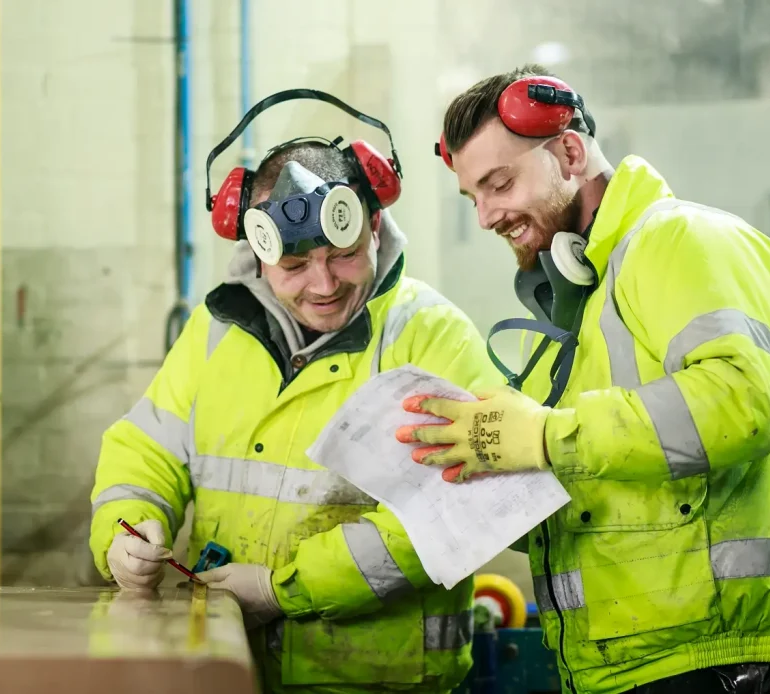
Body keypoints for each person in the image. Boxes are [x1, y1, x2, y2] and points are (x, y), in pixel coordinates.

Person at [396, 64, 770, 694]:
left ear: (568, 151)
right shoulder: (588, 297)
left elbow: (743, 401)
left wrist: (543, 437)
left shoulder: (682, 240)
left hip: (706, 663)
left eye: (499, 183)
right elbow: (612, 480)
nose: (485, 217)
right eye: (471, 197)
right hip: (620, 666)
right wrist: (493, 476)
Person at [88, 91, 503, 694]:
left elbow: (447, 516)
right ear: (256, 256)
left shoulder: (431, 338)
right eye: (295, 268)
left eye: (342, 256)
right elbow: (142, 452)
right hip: (234, 671)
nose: (324, 285)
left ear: (375, 224)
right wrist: (127, 531)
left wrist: (283, 591)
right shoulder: (215, 333)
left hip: (377, 683)